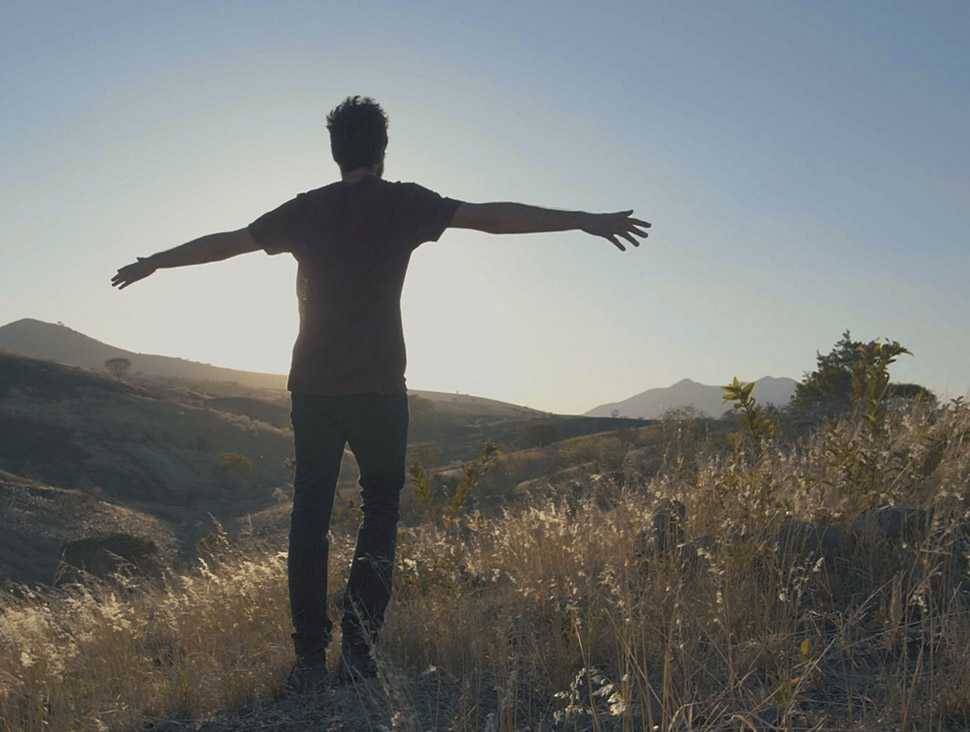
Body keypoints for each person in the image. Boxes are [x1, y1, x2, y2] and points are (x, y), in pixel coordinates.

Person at [111, 95, 650, 692]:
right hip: (379, 390)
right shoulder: (404, 204)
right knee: (381, 512)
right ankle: (360, 653)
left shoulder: (305, 210)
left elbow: (227, 243)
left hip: (312, 388)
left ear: (336, 152)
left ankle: (309, 661)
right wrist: (580, 218)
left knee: (309, 517)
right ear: (382, 152)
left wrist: (157, 261)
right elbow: (491, 217)